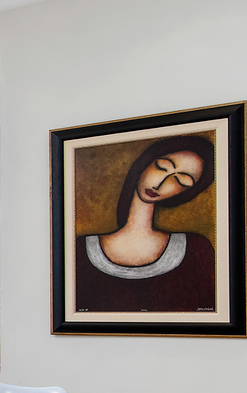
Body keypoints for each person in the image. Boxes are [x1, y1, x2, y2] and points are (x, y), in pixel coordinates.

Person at [74, 134, 217, 313]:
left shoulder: (196, 250)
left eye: (181, 181)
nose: (161, 183)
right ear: (145, 164)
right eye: (161, 167)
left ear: (184, 193)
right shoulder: (78, 250)